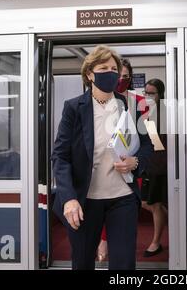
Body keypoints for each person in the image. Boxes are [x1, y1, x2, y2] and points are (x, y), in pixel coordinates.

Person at [51, 45, 153, 270]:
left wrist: (135, 162)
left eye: (114, 68)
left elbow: (147, 147)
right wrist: (68, 198)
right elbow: (60, 156)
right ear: (90, 74)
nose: (111, 73)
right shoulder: (74, 108)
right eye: (103, 68)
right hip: (84, 201)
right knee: (83, 261)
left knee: (124, 265)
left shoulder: (133, 105)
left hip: (123, 197)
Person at [96, 57, 147, 262]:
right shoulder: (99, 100)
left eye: (126, 77)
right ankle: (103, 239)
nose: (122, 80)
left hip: (129, 169)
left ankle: (115, 246)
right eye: (119, 76)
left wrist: (137, 161)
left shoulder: (140, 102)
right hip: (102, 170)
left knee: (125, 224)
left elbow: (149, 139)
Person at [141, 78, 168, 257]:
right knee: (146, 203)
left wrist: (147, 129)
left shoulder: (163, 113)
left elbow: (158, 144)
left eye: (152, 93)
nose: (148, 96)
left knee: (155, 204)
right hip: (149, 164)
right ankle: (174, 217)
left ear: (160, 94)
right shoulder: (148, 111)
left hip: (158, 165)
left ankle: (156, 242)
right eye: (146, 92)